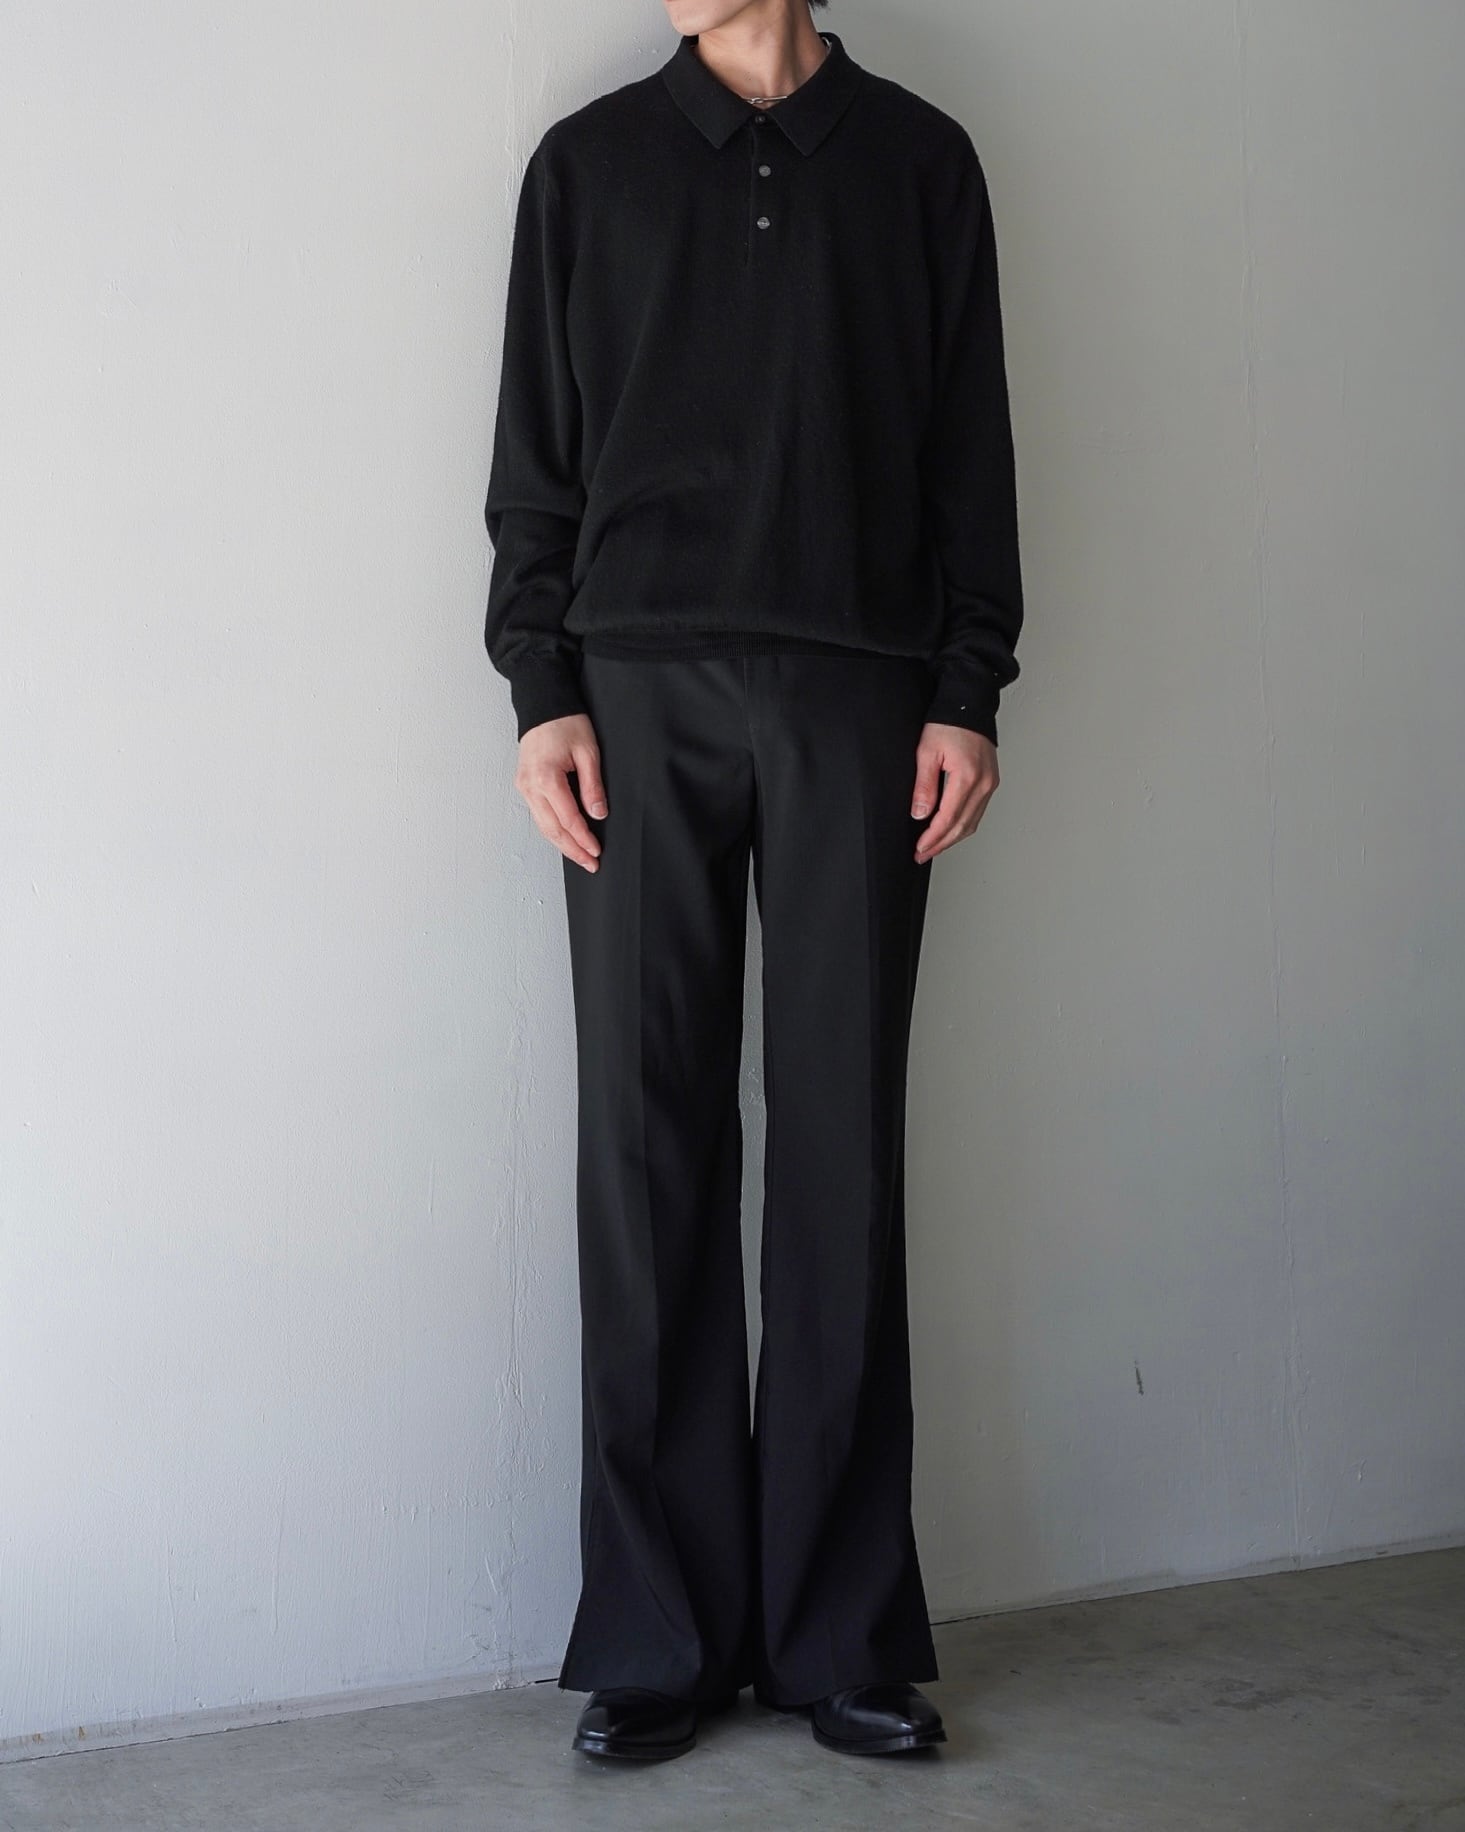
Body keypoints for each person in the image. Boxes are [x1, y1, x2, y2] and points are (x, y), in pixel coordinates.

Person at [482, 0, 1023, 1764]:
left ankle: (838, 1632)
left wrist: (965, 689)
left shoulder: (921, 163)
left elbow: (968, 449)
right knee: (643, 1152)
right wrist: (542, 689)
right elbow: (534, 464)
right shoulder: (587, 169)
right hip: (634, 698)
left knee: (841, 1149)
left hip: (860, 699)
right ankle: (656, 1632)